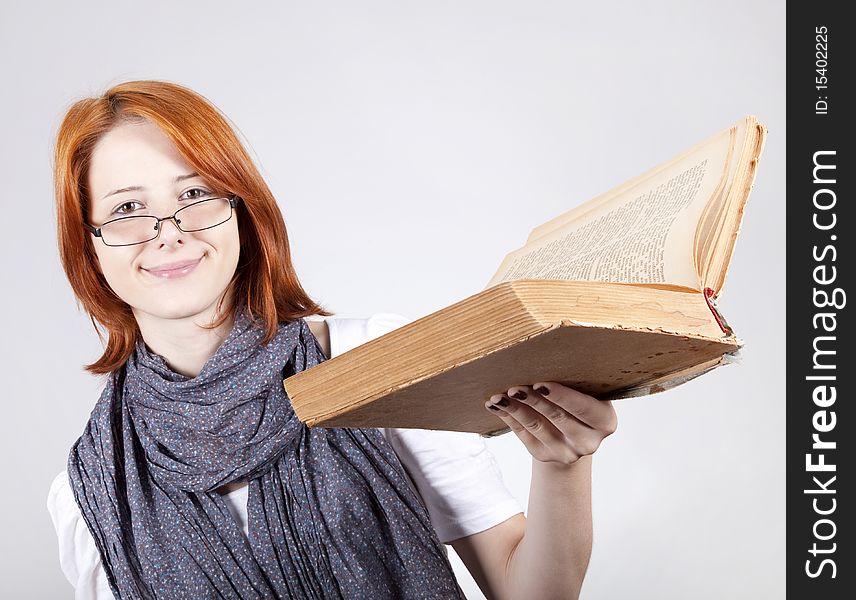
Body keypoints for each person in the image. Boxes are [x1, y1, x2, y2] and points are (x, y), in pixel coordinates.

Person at [46, 80, 617, 599]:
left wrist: (562, 466)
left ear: (241, 213)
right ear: (90, 245)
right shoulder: (92, 490)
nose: (169, 233)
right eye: (127, 208)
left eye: (195, 195)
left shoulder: (376, 363)